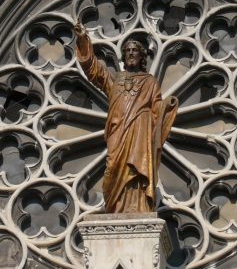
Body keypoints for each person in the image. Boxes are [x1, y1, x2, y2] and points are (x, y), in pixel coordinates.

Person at [73, 22, 178, 213]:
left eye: (134, 50)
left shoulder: (150, 82)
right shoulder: (115, 79)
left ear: (141, 56)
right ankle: (115, 208)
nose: (130, 53)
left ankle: (137, 207)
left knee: (137, 171)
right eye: (127, 50)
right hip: (117, 133)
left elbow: (156, 109)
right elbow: (93, 69)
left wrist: (166, 106)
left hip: (139, 132)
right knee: (112, 169)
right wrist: (82, 40)